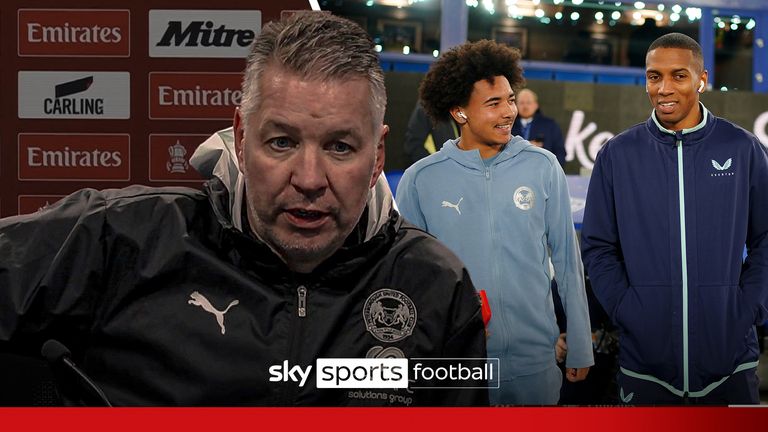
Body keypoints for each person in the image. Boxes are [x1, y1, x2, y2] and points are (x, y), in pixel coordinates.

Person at [0, 12, 488, 406]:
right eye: (281, 142)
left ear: (377, 155)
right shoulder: (118, 238)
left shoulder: (434, 286)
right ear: (240, 136)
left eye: (340, 147)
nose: (309, 179)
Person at [395, 40, 593, 405]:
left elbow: (567, 260)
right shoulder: (420, 180)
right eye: (493, 103)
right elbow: (409, 280)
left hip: (535, 361)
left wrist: (580, 343)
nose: (508, 112)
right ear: (459, 112)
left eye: (510, 99)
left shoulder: (543, 166)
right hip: (458, 366)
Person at [580, 32, 768, 405]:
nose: (664, 88)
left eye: (679, 76)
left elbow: (765, 238)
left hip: (730, 364)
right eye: (654, 76)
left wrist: (747, 308)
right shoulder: (617, 154)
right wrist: (626, 310)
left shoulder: (743, 148)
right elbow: (598, 246)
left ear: (702, 79)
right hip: (644, 366)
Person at [511, 88, 566, 167]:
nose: (525, 106)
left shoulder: (549, 125)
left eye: (528, 103)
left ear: (536, 105)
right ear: (516, 105)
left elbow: (560, 153)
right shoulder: (508, 125)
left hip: (542, 171)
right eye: (521, 103)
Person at [403, 101, 459, 165]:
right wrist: (436, 165)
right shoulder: (425, 107)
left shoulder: (455, 108)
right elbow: (414, 146)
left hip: (454, 167)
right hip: (436, 167)